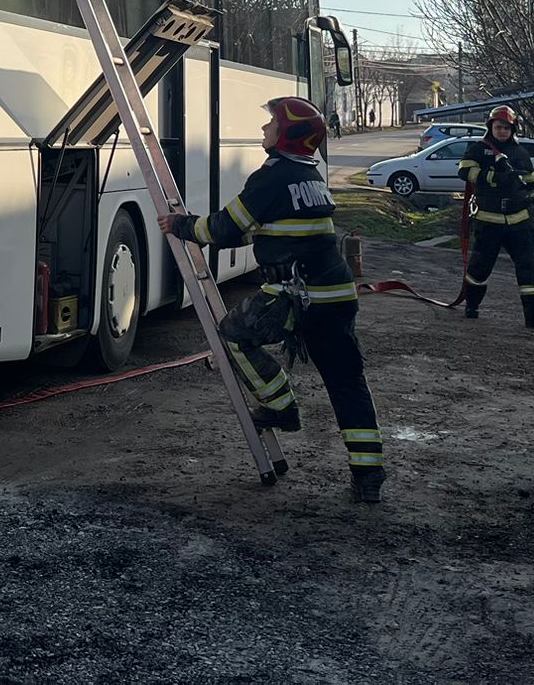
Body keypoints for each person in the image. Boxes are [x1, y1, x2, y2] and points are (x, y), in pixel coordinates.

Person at [156, 96, 386, 503]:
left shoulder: (272, 177)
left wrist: (181, 224)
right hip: (335, 296)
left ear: (288, 134)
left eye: (271, 124)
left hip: (298, 296)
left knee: (233, 335)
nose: (264, 129)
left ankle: (281, 406)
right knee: (347, 384)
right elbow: (269, 227)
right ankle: (369, 476)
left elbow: (224, 227)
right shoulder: (309, 175)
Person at [457, 105, 534, 330]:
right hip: (489, 221)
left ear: (513, 129)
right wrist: (494, 177)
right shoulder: (479, 149)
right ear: (490, 127)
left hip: (519, 221)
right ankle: (472, 305)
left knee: (529, 269)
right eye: (498, 127)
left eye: (506, 128)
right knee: (480, 268)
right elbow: (464, 171)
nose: (502, 131)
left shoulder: (519, 153)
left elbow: (531, 180)